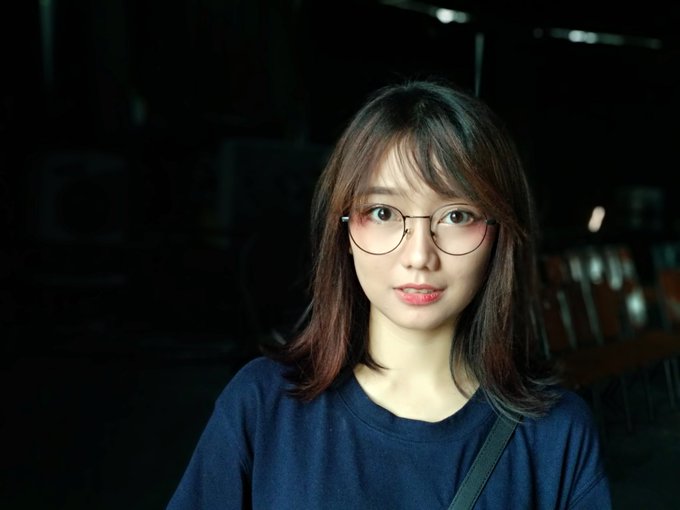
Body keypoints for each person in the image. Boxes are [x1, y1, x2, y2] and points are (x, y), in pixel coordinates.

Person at [166, 79, 611, 509]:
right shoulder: (262, 405)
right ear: (344, 229)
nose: (419, 256)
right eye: (382, 212)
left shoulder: (556, 436)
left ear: (499, 234)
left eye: (457, 215)